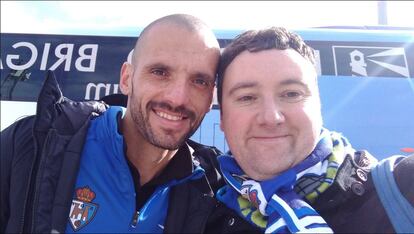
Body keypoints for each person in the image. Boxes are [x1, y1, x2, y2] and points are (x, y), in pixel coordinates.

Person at [1, 14, 227, 233]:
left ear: (211, 99)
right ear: (127, 79)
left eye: (199, 81)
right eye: (160, 72)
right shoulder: (33, 145)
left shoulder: (214, 189)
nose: (177, 98)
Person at [215, 27, 414, 233]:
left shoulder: (403, 188)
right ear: (222, 117)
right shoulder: (202, 212)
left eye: (291, 94)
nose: (271, 118)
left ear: (318, 105)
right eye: (247, 97)